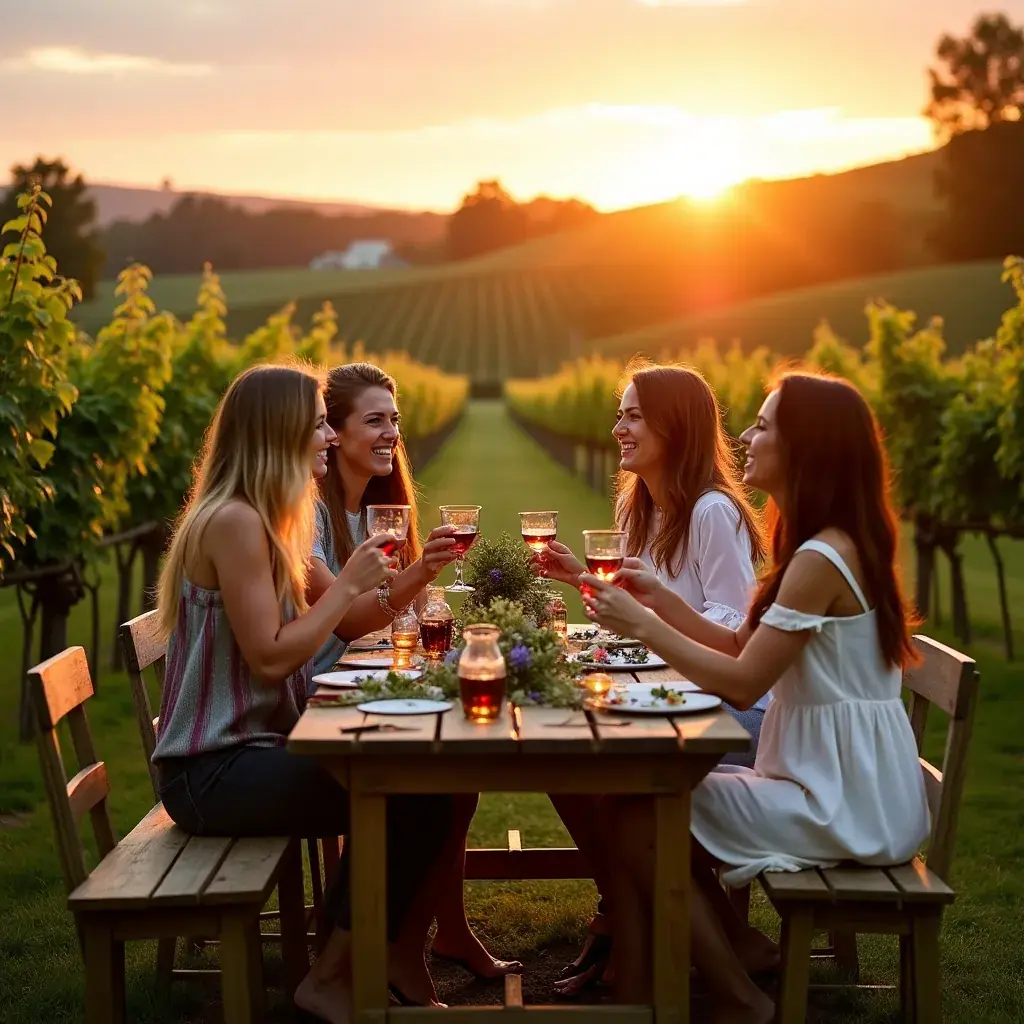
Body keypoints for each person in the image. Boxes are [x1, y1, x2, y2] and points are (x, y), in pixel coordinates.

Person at [579, 372, 931, 1023]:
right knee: (628, 804)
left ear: (807, 447)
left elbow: (742, 683)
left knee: (634, 817)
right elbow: (742, 644)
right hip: (836, 783)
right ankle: (649, 984)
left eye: (764, 426)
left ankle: (737, 998)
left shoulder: (822, 558)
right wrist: (657, 598)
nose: (745, 436)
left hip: (843, 803)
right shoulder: (819, 545)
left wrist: (646, 626)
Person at [152, 363, 456, 1023]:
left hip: (248, 749)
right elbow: (267, 658)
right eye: (319, 422)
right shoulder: (234, 521)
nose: (326, 433)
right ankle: (332, 977)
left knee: (415, 780)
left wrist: (352, 591)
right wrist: (346, 589)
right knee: (405, 787)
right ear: (280, 431)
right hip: (211, 770)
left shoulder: (267, 518)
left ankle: (353, 963)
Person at [536, 364, 766, 991]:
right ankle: (649, 940)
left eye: (633, 415)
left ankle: (634, 946)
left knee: (613, 790)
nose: (619, 428)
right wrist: (580, 576)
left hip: (737, 713)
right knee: (566, 769)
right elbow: (642, 605)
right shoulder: (639, 506)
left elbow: (735, 628)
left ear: (675, 423)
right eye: (621, 414)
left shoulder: (713, 512)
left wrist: (650, 609)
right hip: (680, 696)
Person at [311, 361, 520, 982]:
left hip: (361, 685)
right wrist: (420, 577)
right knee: (431, 782)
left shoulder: (378, 509)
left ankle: (448, 933)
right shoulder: (311, 517)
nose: (389, 434)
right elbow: (347, 622)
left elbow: (401, 611)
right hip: (320, 700)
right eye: (373, 420)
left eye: (394, 421)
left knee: (458, 778)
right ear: (334, 432)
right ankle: (402, 954)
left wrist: (425, 595)